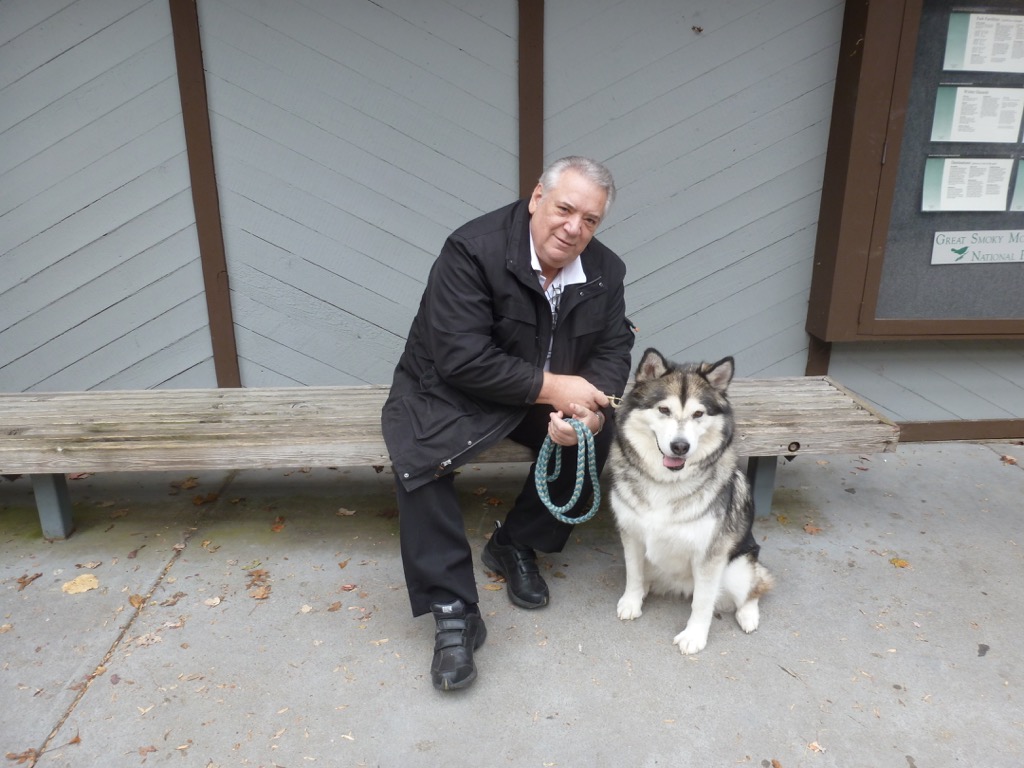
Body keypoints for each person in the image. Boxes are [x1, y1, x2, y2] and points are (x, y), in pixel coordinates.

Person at [381, 156, 635, 691]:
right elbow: (459, 356)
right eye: (565, 209)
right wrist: (555, 389)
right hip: (448, 388)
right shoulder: (472, 250)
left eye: (590, 220)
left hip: (538, 394)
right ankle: (453, 610)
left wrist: (584, 409)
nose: (574, 228)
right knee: (420, 454)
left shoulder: (605, 271)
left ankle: (515, 543)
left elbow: (614, 349)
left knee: (602, 431)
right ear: (536, 198)